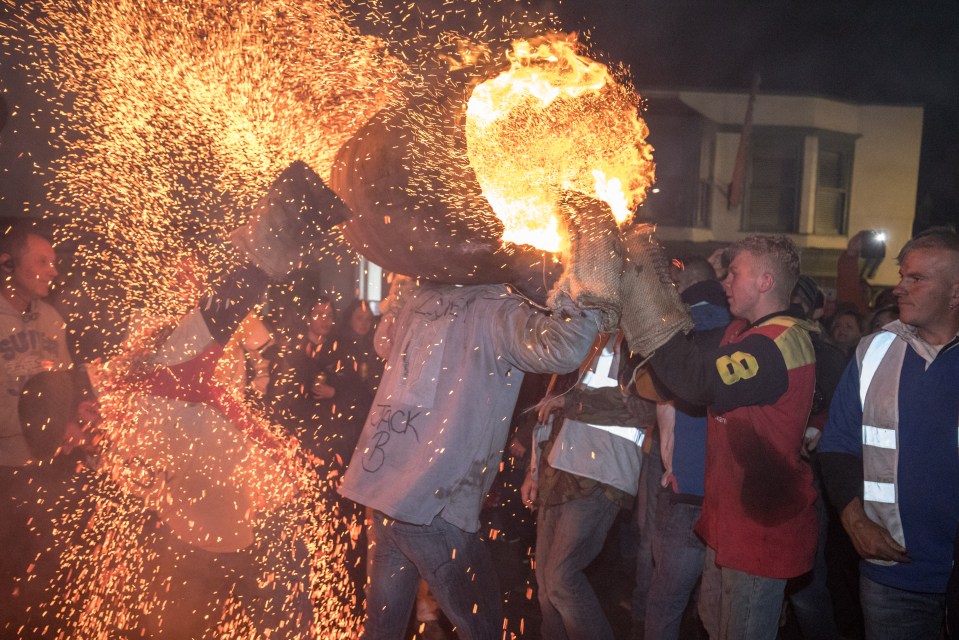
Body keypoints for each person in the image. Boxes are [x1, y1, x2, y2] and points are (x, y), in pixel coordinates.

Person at [17, 160, 355, 637]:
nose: (71, 449)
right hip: (208, 542)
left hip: (266, 520)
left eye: (65, 437)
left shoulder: (157, 375)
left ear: (83, 409)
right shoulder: (122, 400)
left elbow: (229, 302)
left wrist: (287, 218)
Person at [338, 192, 622, 640]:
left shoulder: (419, 301)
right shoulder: (496, 310)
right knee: (484, 629)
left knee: (382, 631)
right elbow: (564, 348)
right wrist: (586, 286)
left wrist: (404, 288)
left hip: (384, 496)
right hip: (435, 503)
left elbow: (382, 345)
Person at [619, 231, 819, 639]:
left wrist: (645, 300)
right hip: (727, 524)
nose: (724, 281)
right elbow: (676, 370)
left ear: (765, 281)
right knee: (714, 626)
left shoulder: (775, 345)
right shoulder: (743, 333)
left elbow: (697, 379)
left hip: (758, 534)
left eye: (734, 273)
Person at [818, 227, 959, 640]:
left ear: (955, 293)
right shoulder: (875, 350)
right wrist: (855, 519)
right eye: (902, 275)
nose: (899, 288)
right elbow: (838, 445)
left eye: (917, 278)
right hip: (890, 578)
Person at [522, 330, 653, 640]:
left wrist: (570, 401)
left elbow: (638, 407)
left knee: (561, 579)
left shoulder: (640, 337)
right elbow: (551, 404)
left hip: (602, 474)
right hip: (559, 468)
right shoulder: (582, 336)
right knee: (545, 587)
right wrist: (534, 470)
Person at [641, 255, 730, 640]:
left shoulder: (675, 330)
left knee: (665, 602)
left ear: (681, 287)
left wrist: (670, 459)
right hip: (728, 497)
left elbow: (658, 393)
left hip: (686, 489)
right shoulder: (742, 331)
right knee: (717, 612)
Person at [0, 224, 74, 635]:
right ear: (7, 264)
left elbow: (59, 387)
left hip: (47, 473)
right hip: (4, 474)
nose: (52, 271)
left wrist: (74, 418)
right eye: (42, 261)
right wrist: (46, 425)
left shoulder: (52, 319)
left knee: (46, 583)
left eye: (55, 263)